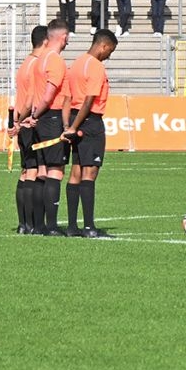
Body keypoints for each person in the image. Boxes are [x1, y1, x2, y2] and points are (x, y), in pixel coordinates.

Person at [11, 21, 70, 236]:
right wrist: (25, 118)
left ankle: (29, 224)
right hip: (42, 117)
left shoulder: (31, 63)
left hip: (29, 117)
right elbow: (36, 97)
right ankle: (42, 225)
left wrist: (19, 119)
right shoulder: (46, 62)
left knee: (32, 172)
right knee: (43, 171)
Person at [59, 28, 119, 237]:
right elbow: (89, 99)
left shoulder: (76, 64)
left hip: (75, 118)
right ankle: (89, 227)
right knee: (89, 173)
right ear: (103, 46)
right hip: (90, 121)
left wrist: (68, 125)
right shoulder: (96, 67)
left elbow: (67, 98)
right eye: (109, 50)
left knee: (76, 171)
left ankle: (72, 227)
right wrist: (76, 127)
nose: (109, 55)